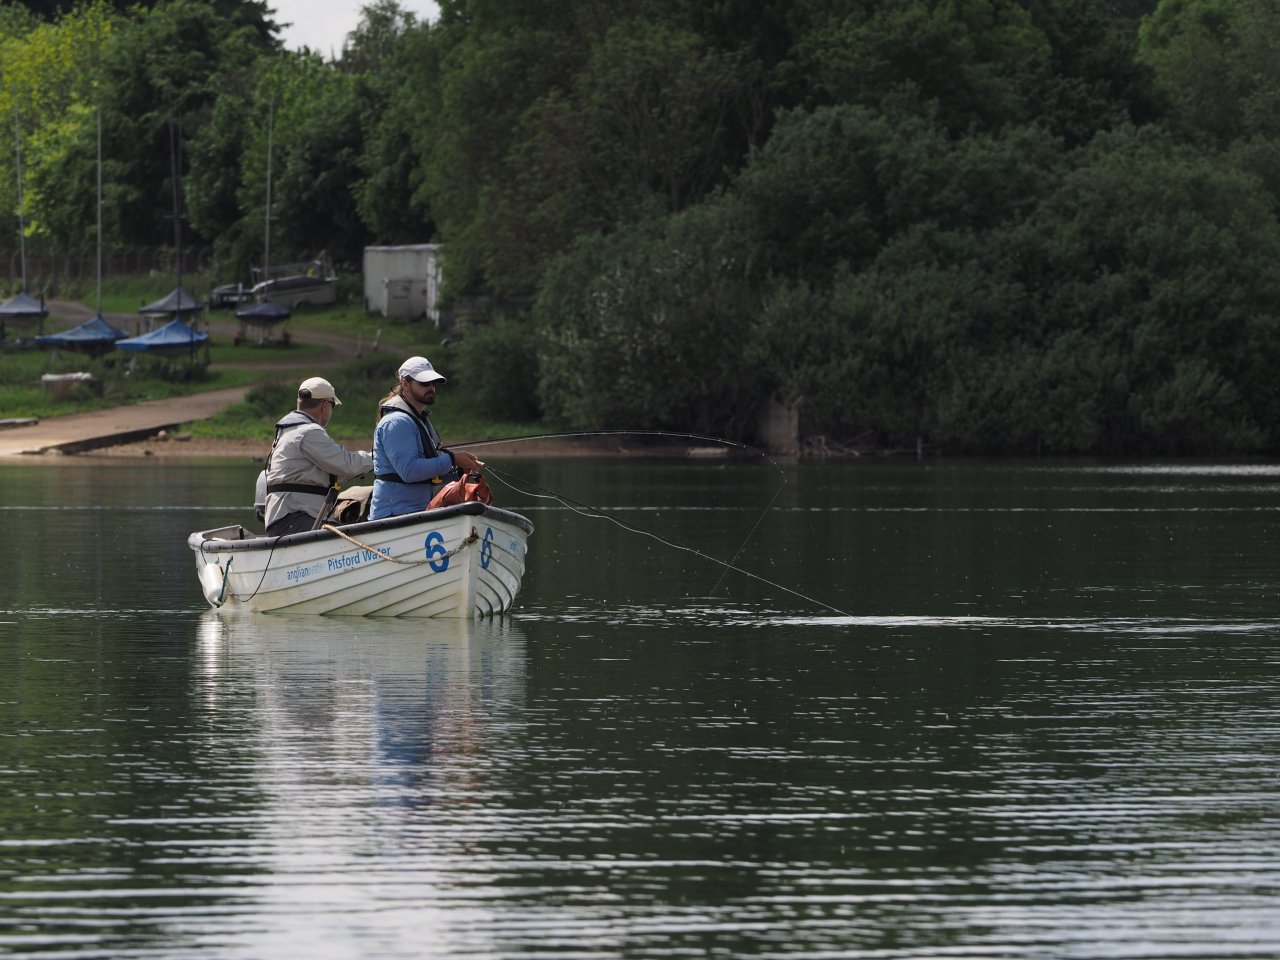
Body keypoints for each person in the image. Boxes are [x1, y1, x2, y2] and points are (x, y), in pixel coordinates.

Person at [369, 355, 481, 520]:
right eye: (424, 383)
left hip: (417, 512)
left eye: (433, 383)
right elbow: (410, 472)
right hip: (393, 515)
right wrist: (453, 459)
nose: (431, 387)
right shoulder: (396, 423)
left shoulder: (417, 420)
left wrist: (457, 472)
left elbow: (428, 472)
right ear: (405, 383)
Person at [262, 376, 373, 536]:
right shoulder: (309, 432)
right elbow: (345, 465)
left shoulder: (289, 430)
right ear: (325, 405)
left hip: (287, 518)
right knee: (348, 538)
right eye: (333, 405)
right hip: (294, 518)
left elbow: (333, 472)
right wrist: (377, 458)